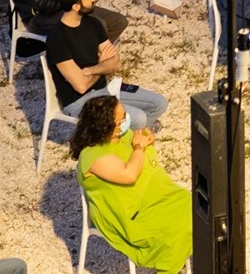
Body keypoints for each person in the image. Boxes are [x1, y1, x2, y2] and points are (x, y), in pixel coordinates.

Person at [71, 94, 192, 274]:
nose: (126, 121)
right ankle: (169, 266)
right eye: (121, 120)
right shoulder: (92, 156)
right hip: (130, 215)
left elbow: (142, 151)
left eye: (125, 114)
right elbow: (129, 175)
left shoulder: (122, 135)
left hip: (156, 199)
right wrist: (139, 148)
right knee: (174, 232)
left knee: (199, 209)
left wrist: (147, 139)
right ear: (105, 127)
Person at [45, 0, 169, 128]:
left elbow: (115, 63)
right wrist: (102, 65)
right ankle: (132, 137)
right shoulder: (57, 38)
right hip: (80, 101)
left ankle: (132, 135)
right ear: (76, 6)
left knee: (159, 103)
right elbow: (81, 86)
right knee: (139, 118)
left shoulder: (92, 23)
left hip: (106, 89)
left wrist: (92, 69)